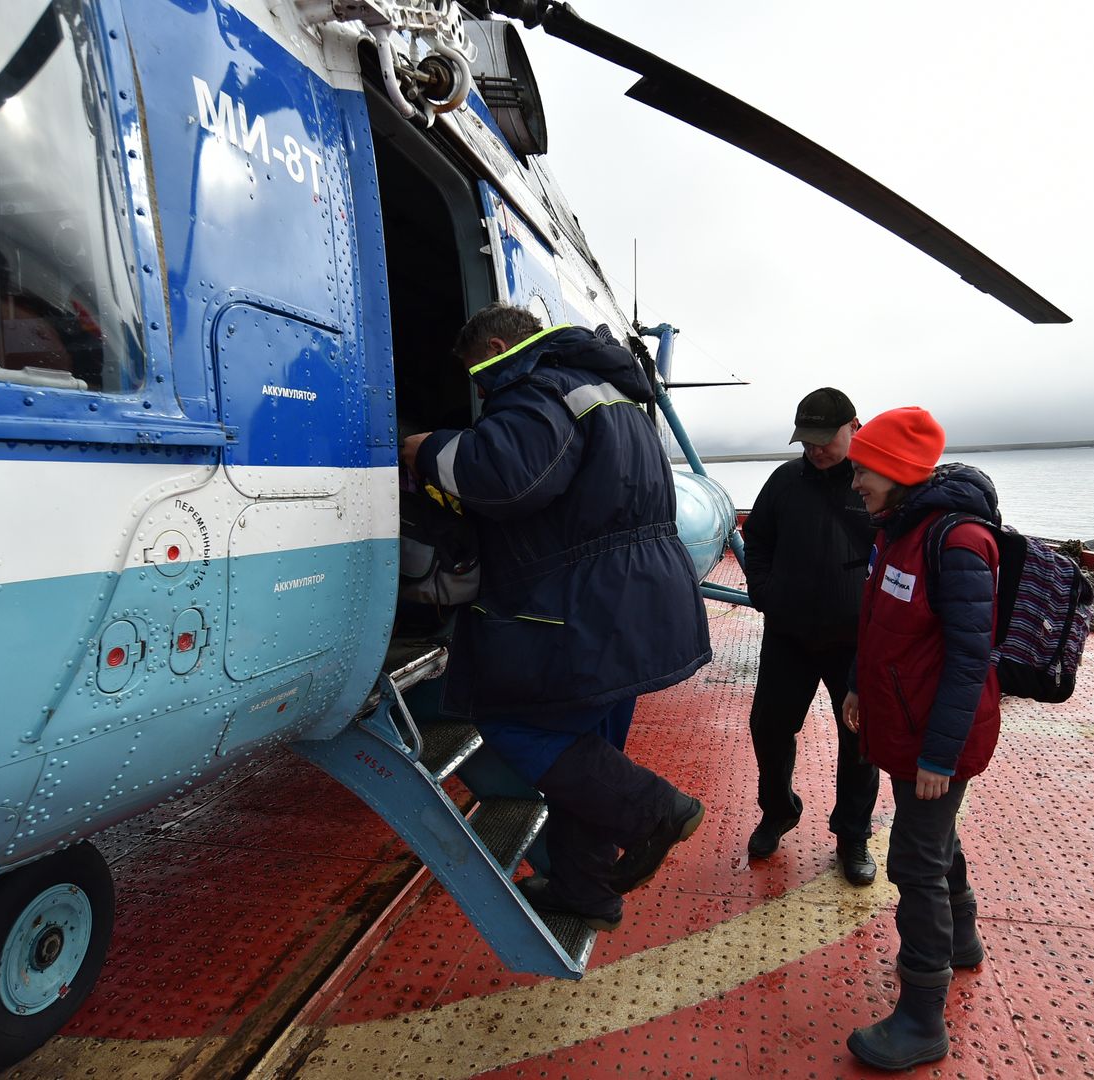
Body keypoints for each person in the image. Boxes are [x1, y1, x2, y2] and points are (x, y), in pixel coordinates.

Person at [400, 303, 710, 931]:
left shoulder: (538, 386)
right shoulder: (611, 394)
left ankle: (654, 811)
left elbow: (505, 478)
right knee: (587, 751)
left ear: (494, 347)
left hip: (581, 609)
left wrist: (425, 449)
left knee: (517, 726)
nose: (482, 389)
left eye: (478, 374)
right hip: (634, 605)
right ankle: (585, 890)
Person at [839, 406, 1002, 1072]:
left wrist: (938, 754)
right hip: (904, 723)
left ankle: (920, 1019)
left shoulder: (957, 543)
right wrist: (854, 684)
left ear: (898, 470)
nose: (854, 483)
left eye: (861, 469)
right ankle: (961, 941)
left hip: (937, 736)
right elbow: (874, 618)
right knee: (932, 837)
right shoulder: (896, 530)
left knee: (913, 862)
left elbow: (970, 659)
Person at [741, 387, 880, 884]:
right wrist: (763, 590)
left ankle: (852, 835)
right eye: (808, 440)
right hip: (790, 633)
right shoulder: (784, 482)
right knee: (770, 727)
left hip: (855, 640)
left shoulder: (876, 483)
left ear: (855, 427)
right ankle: (778, 810)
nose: (816, 449)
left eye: (826, 439)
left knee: (861, 739)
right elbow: (755, 540)